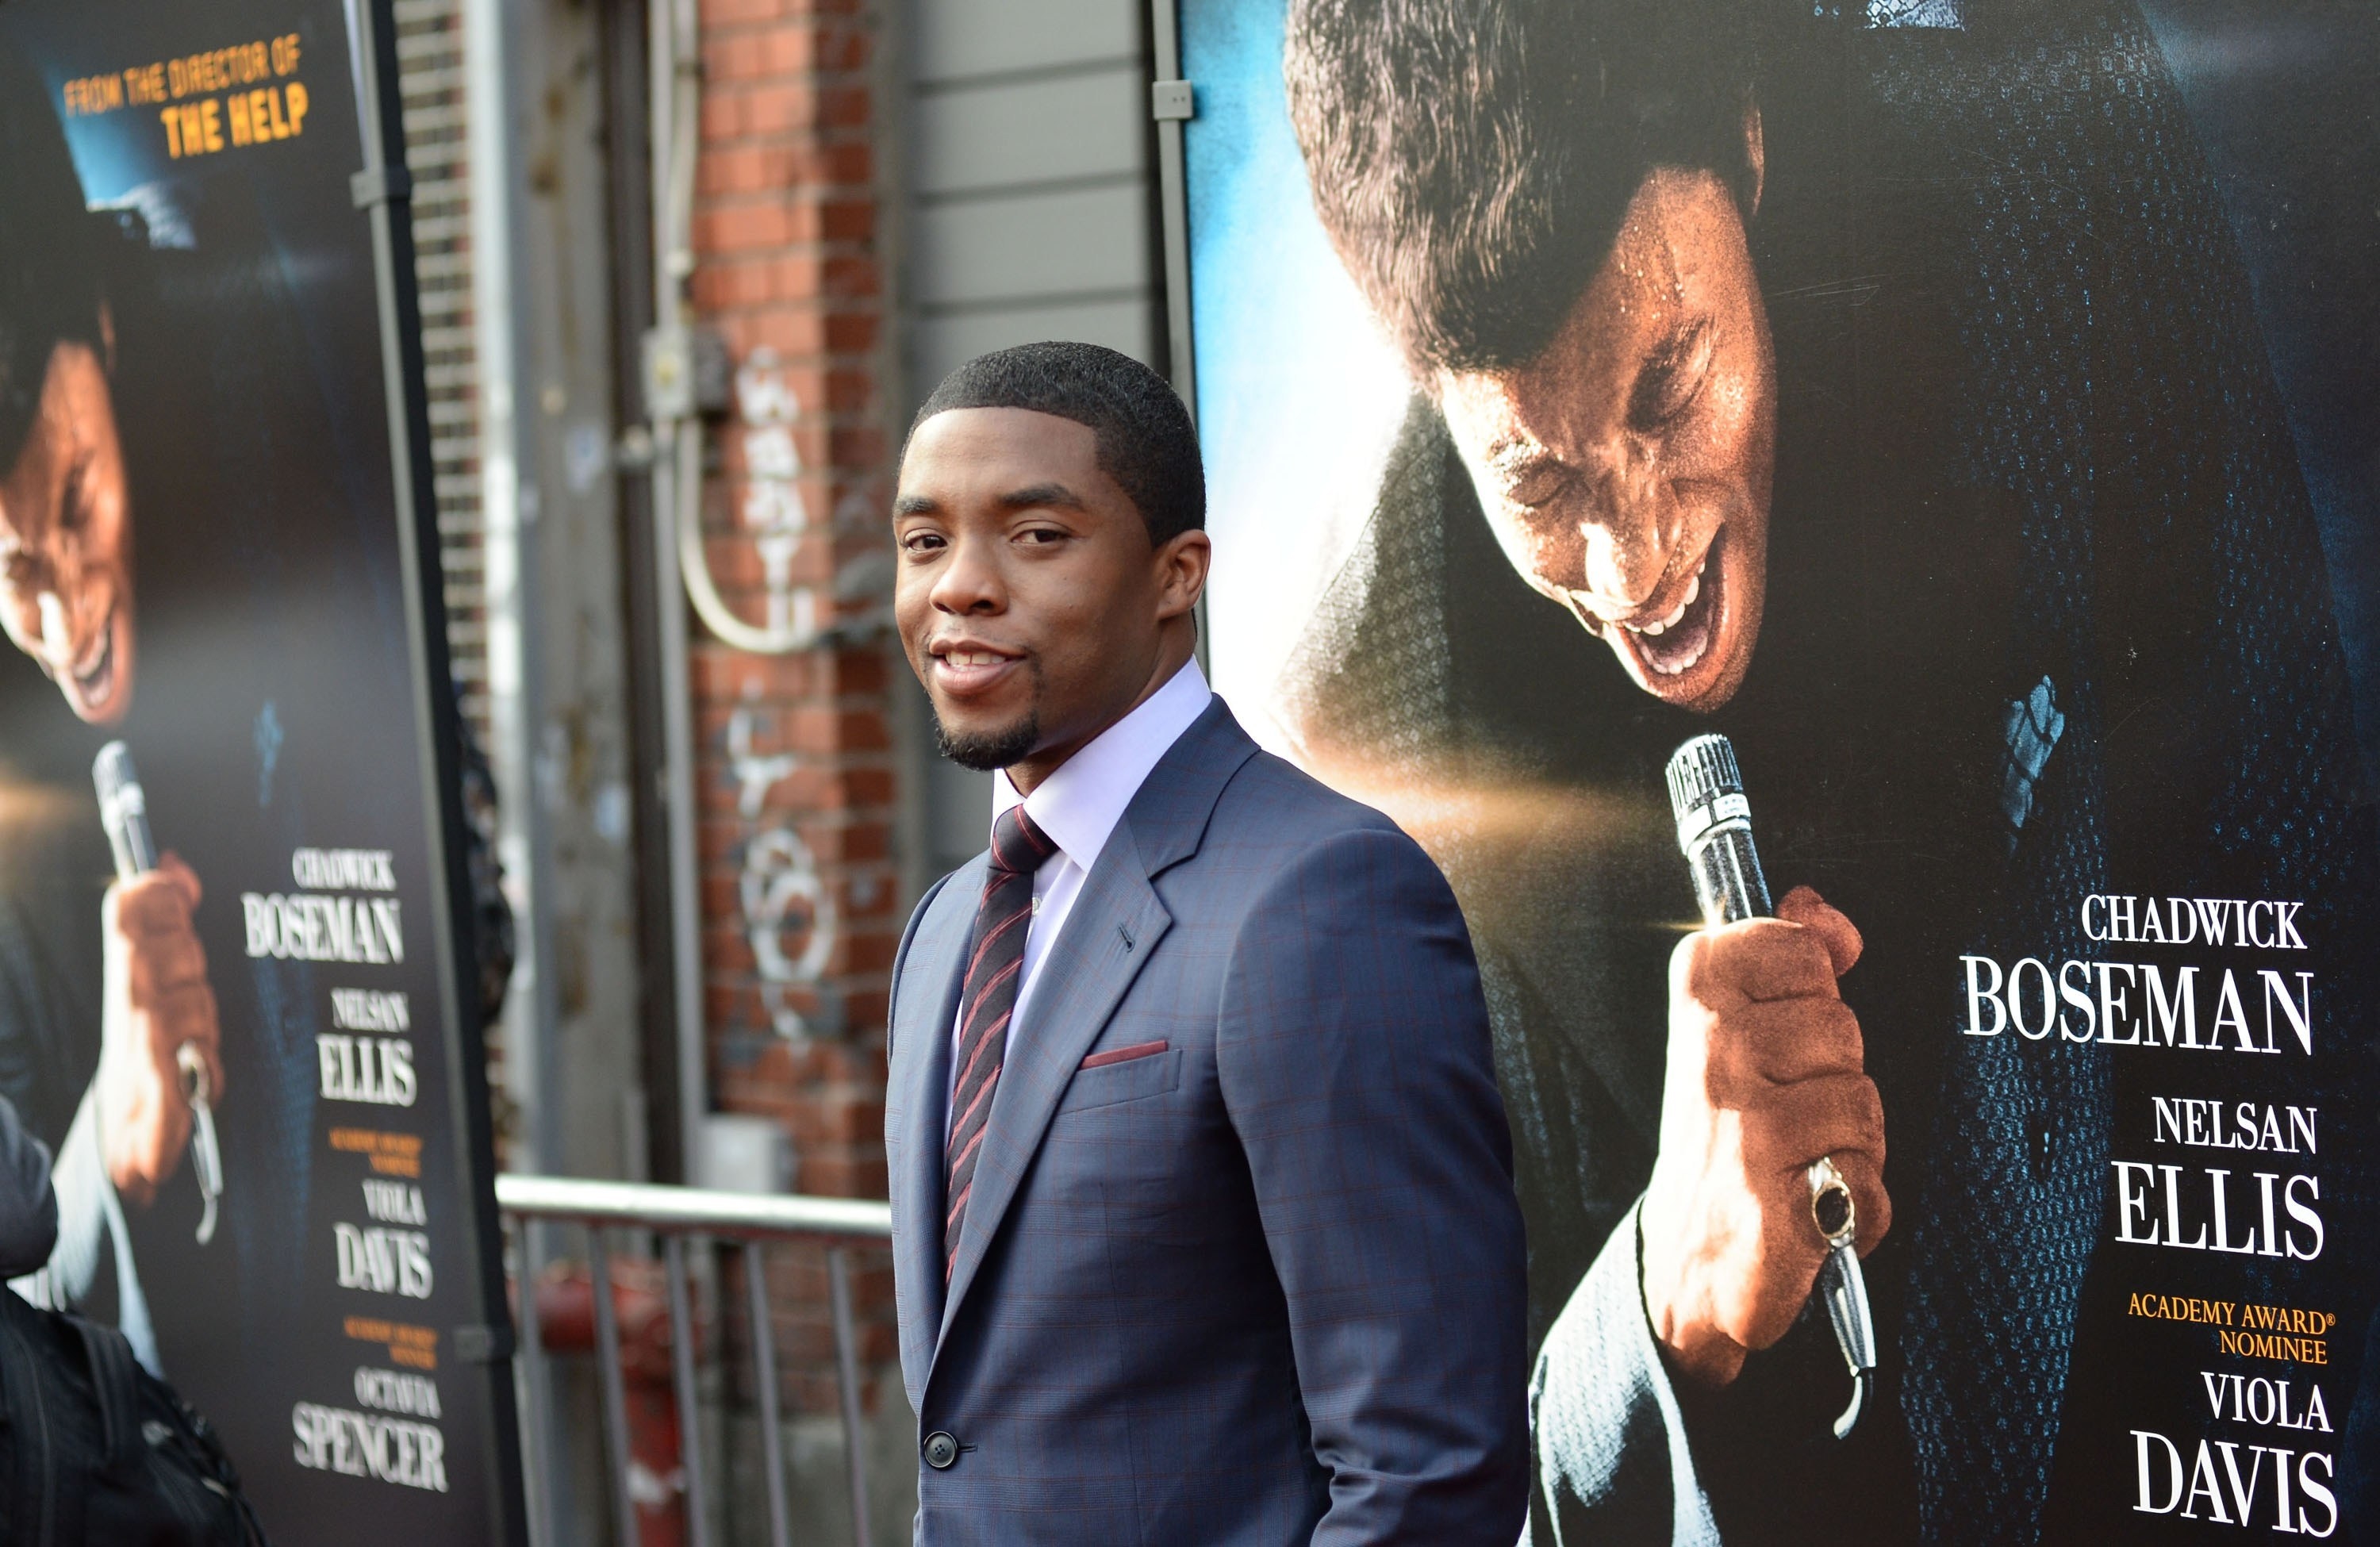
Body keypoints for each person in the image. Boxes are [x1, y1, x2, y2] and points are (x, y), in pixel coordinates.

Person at [1279, 0, 2378, 1540]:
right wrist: (1670, 1302)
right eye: (1542, 479)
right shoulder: (1356, 744)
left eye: (1667, 388)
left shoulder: (2060, 229)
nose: (1638, 556)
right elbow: (1407, 1488)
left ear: (1750, 143)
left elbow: (2301, 881)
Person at [883, 341, 1532, 1543]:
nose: (959, 588)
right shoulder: (942, 936)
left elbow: (1429, 1471)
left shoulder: (1323, 896)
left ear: (1176, 575)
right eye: (926, 542)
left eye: (1035, 535)